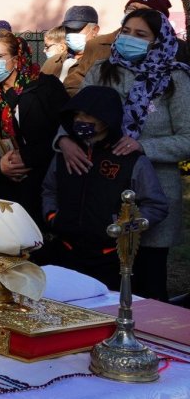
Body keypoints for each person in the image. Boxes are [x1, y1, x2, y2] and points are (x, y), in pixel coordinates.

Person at [58, 8, 190, 301]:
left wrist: (144, 146)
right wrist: (64, 140)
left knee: (148, 286)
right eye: (126, 32)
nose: (130, 39)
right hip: (99, 190)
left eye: (141, 35)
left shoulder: (174, 80)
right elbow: (74, 115)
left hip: (152, 194)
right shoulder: (102, 70)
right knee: (99, 287)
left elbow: (187, 138)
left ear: (157, 41)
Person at [41, 86, 167, 290]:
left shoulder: (131, 161)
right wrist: (52, 216)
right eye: (77, 115)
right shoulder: (64, 154)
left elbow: (156, 205)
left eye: (89, 115)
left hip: (109, 259)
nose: (81, 120)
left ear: (107, 118)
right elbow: (49, 189)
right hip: (65, 252)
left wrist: (123, 228)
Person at [0, 29, 68, 237]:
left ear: (16, 59)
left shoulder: (46, 87)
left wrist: (27, 158)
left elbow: (64, 132)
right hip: (1, 191)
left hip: (42, 185)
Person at [41, 5, 100, 96]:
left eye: (77, 29)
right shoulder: (52, 63)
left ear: (95, 30)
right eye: (68, 29)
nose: (72, 33)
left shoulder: (103, 63)